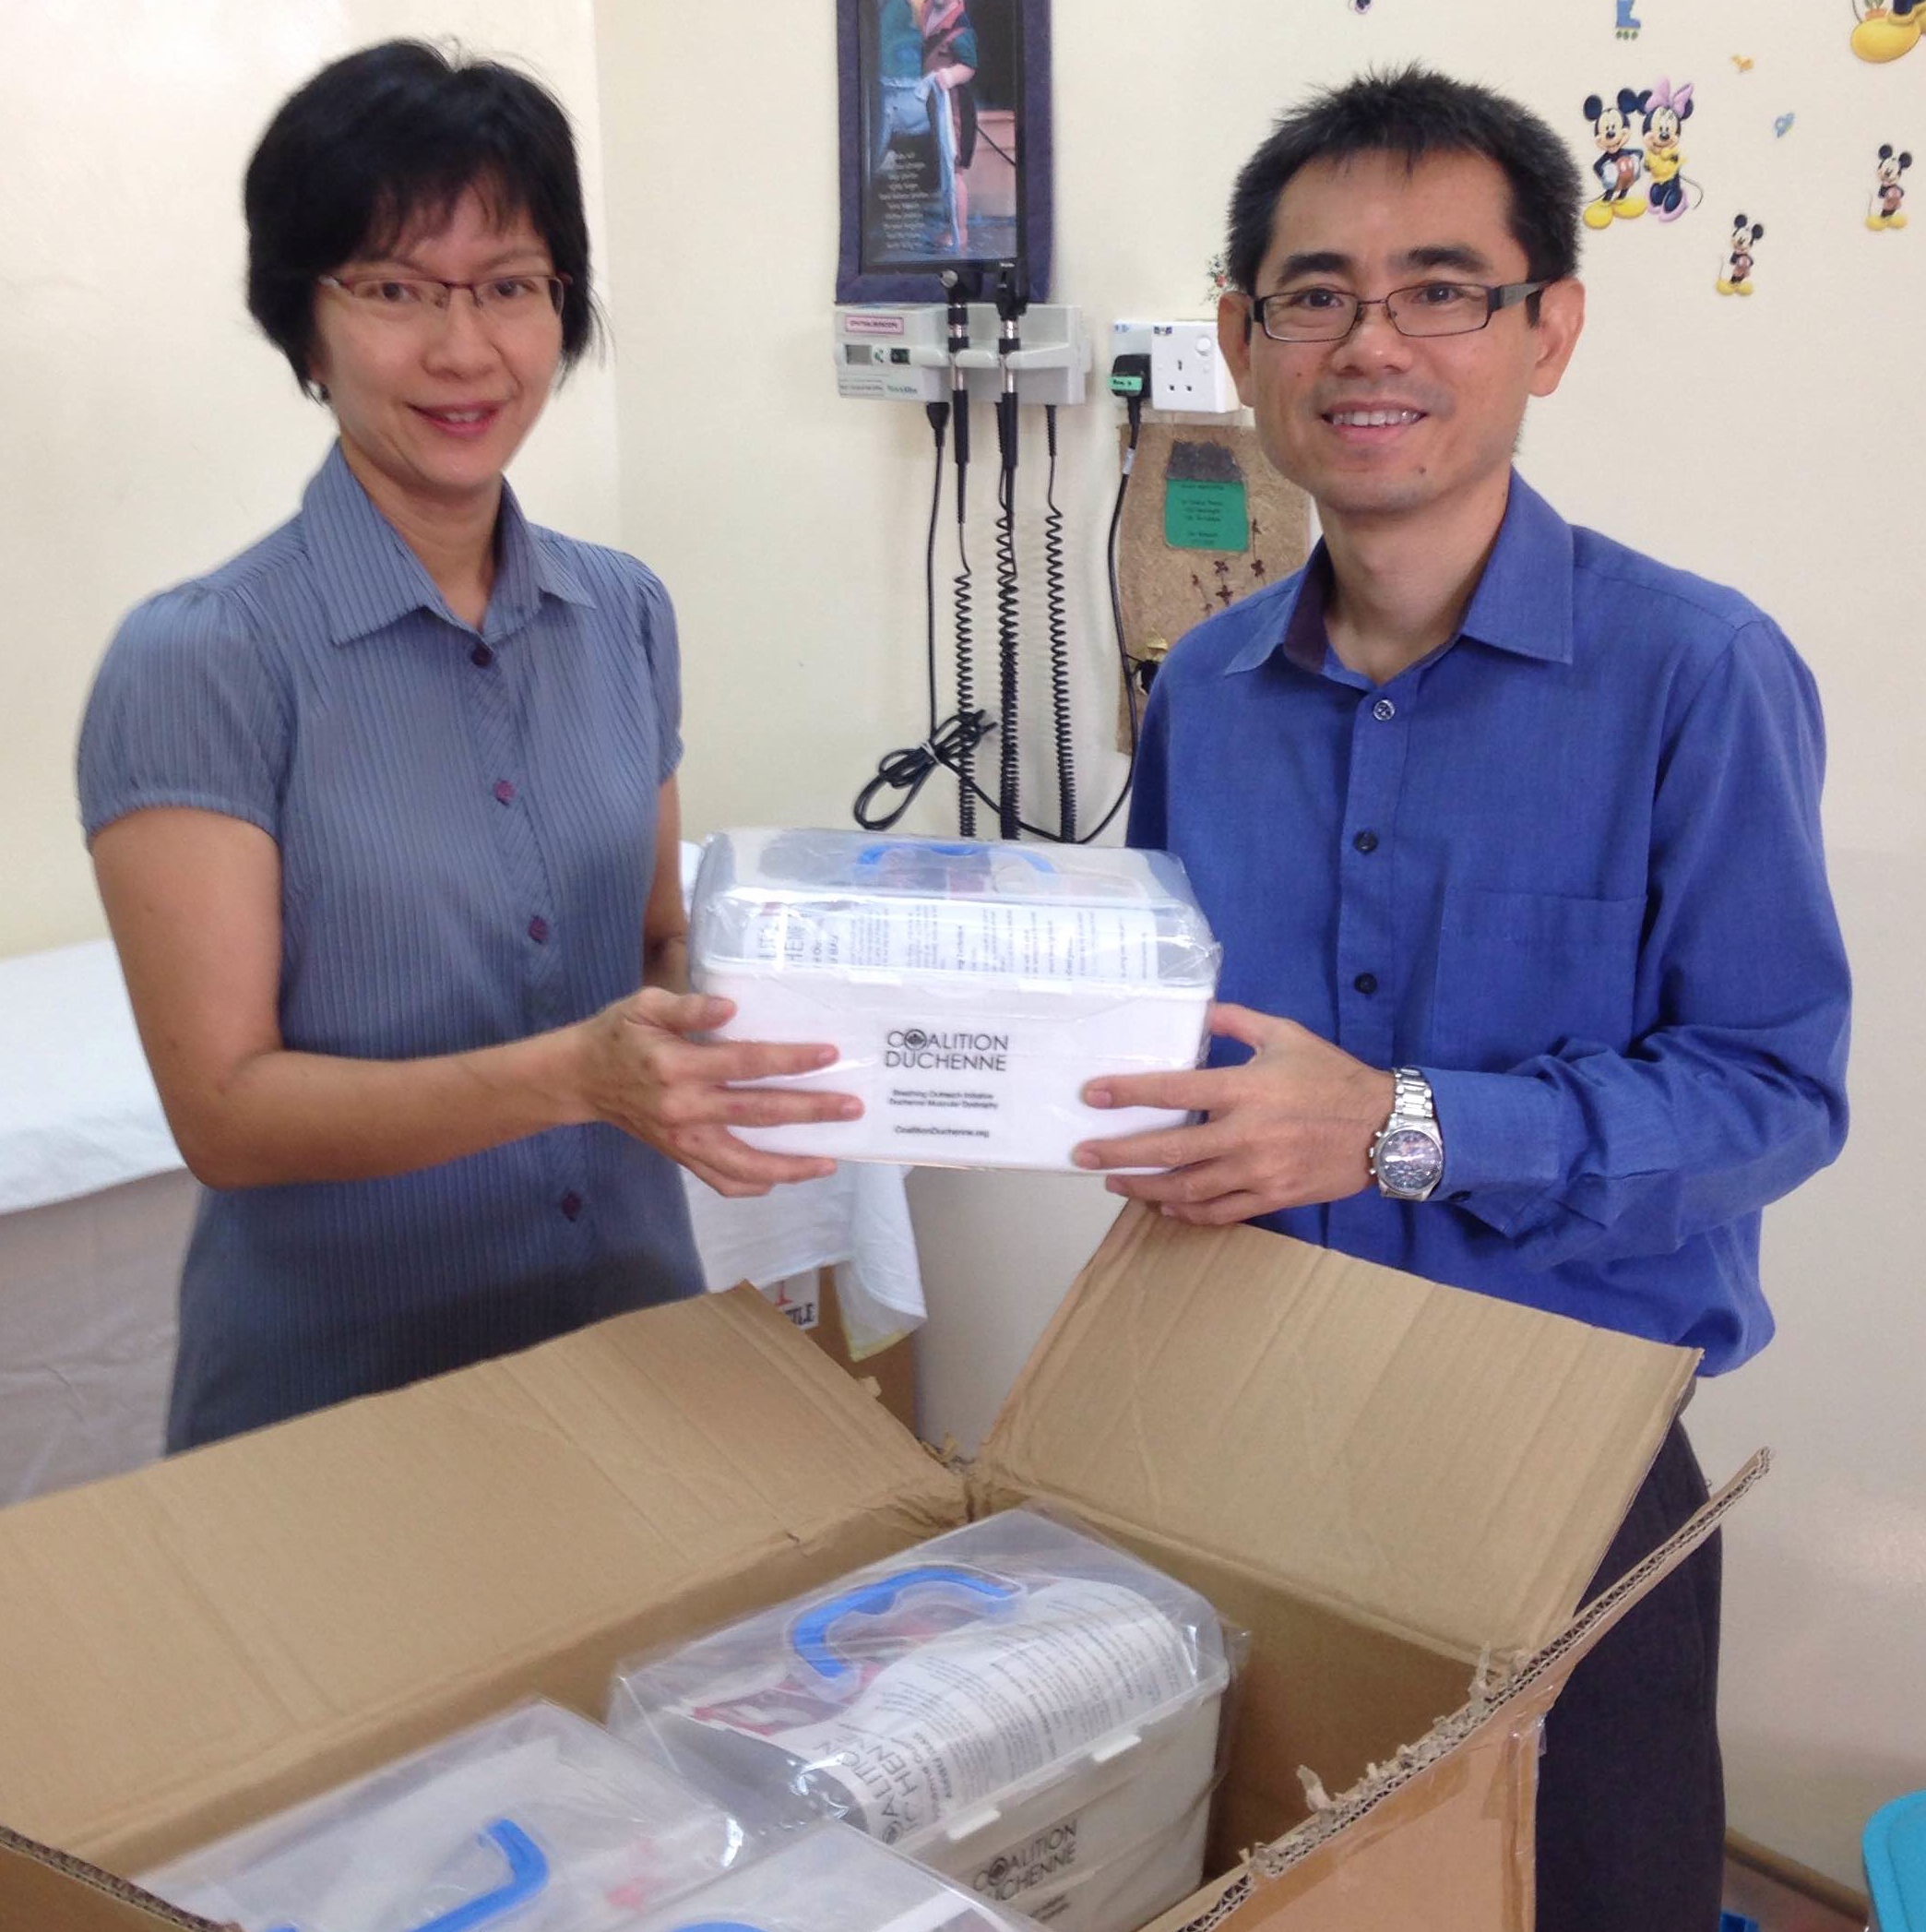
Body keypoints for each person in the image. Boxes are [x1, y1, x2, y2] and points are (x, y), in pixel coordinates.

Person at [1071, 67, 1849, 1932]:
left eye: (1443, 287)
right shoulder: (1207, 695)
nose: (1374, 342)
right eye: (1316, 294)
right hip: (1249, 1420)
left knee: (1597, 1897)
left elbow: (1770, 1096)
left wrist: (1398, 1125)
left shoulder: (1697, 673)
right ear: (1248, 343)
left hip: (1567, 1464)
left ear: (1546, 330)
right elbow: (1189, 1053)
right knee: (1285, 1883)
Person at [77, 42, 857, 1453]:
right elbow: (227, 1114)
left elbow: (659, 940)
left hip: (634, 1343)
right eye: (392, 288)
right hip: (343, 1402)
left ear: (564, 309)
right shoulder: (202, 659)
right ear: (301, 324)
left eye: (509, 285)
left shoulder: (623, 609)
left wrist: (836, 1005)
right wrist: (579, 1076)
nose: (462, 348)